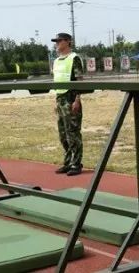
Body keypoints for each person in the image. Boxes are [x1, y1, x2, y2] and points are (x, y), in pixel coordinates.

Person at [51, 32, 84, 176]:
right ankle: (67, 162)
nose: (57, 44)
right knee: (62, 134)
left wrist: (77, 100)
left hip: (71, 100)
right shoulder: (57, 61)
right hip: (60, 100)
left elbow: (79, 81)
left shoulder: (74, 58)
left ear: (67, 42)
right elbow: (57, 81)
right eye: (56, 41)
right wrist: (56, 101)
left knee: (73, 133)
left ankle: (76, 163)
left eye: (59, 41)